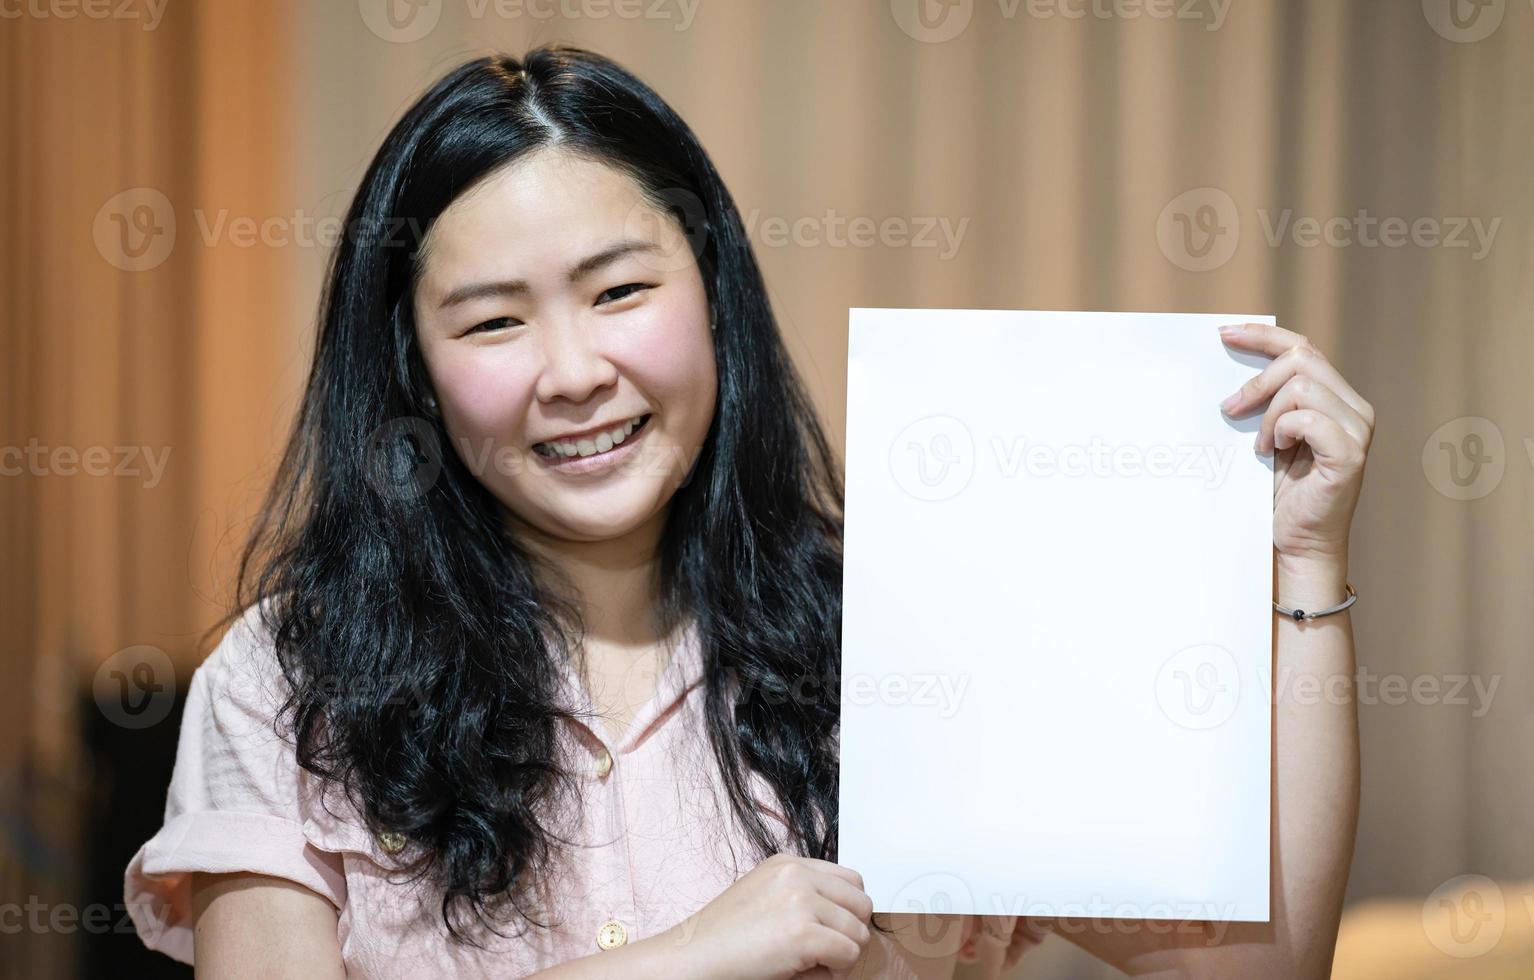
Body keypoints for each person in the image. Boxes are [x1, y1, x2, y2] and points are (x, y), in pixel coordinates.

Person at [124, 44, 1374, 979]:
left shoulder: (912, 637)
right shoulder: (288, 681)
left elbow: (1252, 966)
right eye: (494, 319)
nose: (570, 371)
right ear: (412, 364)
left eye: (619, 290)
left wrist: (1305, 560)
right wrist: (685, 957)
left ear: (711, 294)